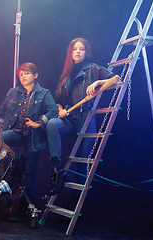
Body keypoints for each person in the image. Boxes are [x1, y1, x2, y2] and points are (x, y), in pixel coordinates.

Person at [47, 37, 114, 197]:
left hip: (86, 120)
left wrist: (98, 82)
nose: (78, 52)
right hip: (69, 119)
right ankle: (58, 171)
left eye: (81, 49)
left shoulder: (93, 69)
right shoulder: (65, 75)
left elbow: (116, 79)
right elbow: (58, 103)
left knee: (80, 163)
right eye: (75, 49)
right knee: (52, 123)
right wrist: (61, 110)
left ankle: (74, 200)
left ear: (86, 52)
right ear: (70, 53)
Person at [0, 62, 59, 222]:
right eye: (21, 74)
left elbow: (54, 111)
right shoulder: (13, 92)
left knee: (31, 171)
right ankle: (18, 161)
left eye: (26, 73)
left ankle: (25, 208)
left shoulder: (44, 93)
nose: (23, 76)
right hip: (16, 132)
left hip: (33, 136)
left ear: (35, 75)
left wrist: (39, 122)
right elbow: (2, 111)